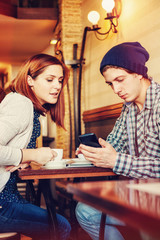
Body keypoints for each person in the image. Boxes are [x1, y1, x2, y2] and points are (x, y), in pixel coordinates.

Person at [75, 42, 160, 240]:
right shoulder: (128, 107)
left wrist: (115, 161)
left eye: (120, 80)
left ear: (139, 73)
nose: (116, 89)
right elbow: (114, 144)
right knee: (86, 210)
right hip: (141, 193)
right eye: (111, 83)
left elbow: (116, 158)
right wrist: (95, 151)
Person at [0, 53, 71, 240]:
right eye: (50, 79)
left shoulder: (29, 107)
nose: (57, 85)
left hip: (7, 197)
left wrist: (22, 158)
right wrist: (29, 154)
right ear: (30, 80)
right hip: (2, 202)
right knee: (61, 227)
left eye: (60, 80)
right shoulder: (20, 103)